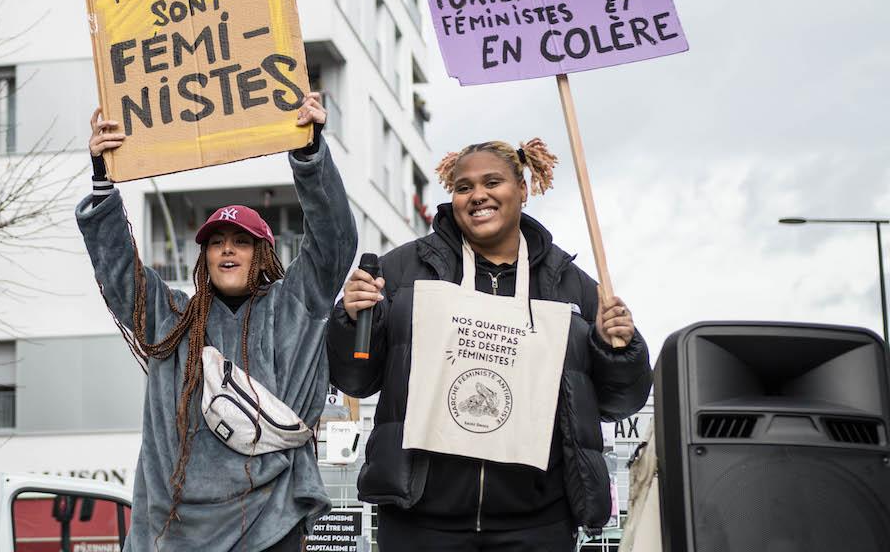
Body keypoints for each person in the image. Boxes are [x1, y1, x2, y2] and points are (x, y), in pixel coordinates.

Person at [327, 138, 652, 552]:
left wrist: (618, 351)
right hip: (421, 521)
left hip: (538, 523)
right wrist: (351, 318)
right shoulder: (402, 270)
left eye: (492, 182)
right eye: (463, 187)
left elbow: (618, 404)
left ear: (523, 189)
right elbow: (354, 379)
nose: (477, 195)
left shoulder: (570, 285)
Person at [78, 92, 357, 552]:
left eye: (241, 242)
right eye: (216, 242)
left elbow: (334, 238)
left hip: (273, 519)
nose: (227, 249)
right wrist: (103, 180)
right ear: (204, 257)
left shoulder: (296, 304)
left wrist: (310, 155)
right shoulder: (171, 320)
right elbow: (119, 276)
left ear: (263, 254)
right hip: (179, 528)